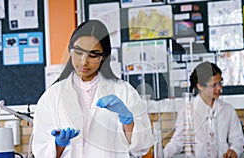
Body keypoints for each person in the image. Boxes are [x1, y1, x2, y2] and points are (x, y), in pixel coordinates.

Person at [32, 19, 153, 157]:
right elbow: (40, 151)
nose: (84, 61)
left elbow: (142, 148)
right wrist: (59, 144)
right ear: (70, 50)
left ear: (104, 57)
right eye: (78, 52)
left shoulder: (123, 91)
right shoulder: (52, 96)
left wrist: (128, 122)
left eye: (93, 55)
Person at [163, 61, 244, 158]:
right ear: (200, 86)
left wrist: (234, 150)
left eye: (220, 82)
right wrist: (160, 155)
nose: (219, 88)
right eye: (214, 85)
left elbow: (238, 139)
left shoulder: (228, 110)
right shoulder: (188, 111)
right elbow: (177, 142)